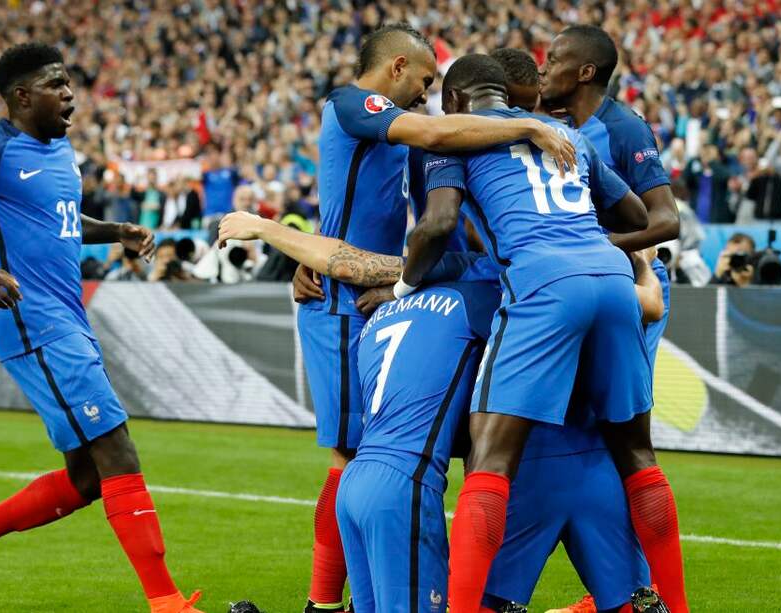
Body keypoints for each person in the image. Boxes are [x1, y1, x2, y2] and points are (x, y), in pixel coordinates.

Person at [217, 211, 665, 613]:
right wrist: (644, 266)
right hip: (410, 488)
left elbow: (350, 263)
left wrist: (280, 239)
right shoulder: (490, 296)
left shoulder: (386, 313)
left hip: (354, 480)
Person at [0, 43, 203, 613]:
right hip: (35, 324)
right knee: (119, 451)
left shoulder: (60, 152)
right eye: (56, 84)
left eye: (69, 83)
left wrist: (116, 231)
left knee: (87, 479)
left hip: (67, 320)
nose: (69, 94)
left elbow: (59, 218)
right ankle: (168, 604)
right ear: (21, 96)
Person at [293, 23, 576, 612]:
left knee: (460, 445)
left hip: (393, 283)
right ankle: (325, 601)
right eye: (424, 80)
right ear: (396, 68)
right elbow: (428, 136)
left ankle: (465, 590)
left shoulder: (405, 143)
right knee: (360, 452)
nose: (426, 92)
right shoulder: (356, 105)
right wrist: (524, 125)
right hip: (350, 293)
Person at [396, 54, 650, 613]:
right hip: (611, 279)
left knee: (488, 459)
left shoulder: (455, 139)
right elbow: (638, 216)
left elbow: (437, 225)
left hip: (541, 285)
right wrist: (583, 241)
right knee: (637, 455)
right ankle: (673, 603)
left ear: (456, 102)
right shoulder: (566, 133)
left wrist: (402, 283)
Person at [539, 26, 688, 613]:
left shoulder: (621, 128)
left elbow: (667, 219)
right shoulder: (545, 121)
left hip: (628, 290)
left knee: (623, 438)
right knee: (588, 438)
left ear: (584, 73)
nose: (543, 67)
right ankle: (618, 588)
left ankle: (642, 593)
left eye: (555, 60)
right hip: (582, 291)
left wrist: (601, 242)